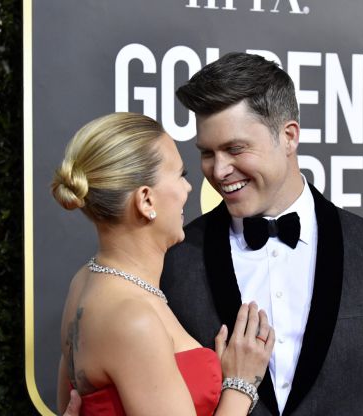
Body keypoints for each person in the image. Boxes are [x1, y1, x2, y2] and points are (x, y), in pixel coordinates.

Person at [64, 53, 363, 415]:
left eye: (235, 148)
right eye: (207, 153)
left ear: (288, 137)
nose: (219, 170)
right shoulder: (172, 260)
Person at [53, 112, 275, 416]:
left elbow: (69, 405)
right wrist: (241, 384)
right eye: (181, 175)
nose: (188, 189)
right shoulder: (134, 320)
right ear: (146, 200)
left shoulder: (84, 281)